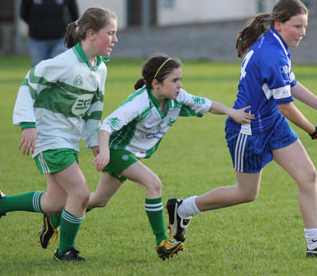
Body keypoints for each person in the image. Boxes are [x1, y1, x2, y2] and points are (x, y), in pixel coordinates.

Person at [166, 0, 317, 259]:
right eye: (297, 26)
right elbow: (285, 105)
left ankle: (316, 244)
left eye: (305, 27)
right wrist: (314, 132)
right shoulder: (272, 53)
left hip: (271, 123)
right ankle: (183, 209)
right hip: (248, 128)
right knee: (246, 193)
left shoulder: (277, 44)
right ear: (279, 24)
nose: (303, 33)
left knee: (308, 175)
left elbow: (291, 84)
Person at [38, 54, 254, 260]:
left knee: (99, 200)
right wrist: (104, 151)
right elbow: (106, 126)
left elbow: (206, 104)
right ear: (156, 83)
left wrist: (231, 112)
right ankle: (162, 242)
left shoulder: (177, 97)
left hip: (129, 154)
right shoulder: (139, 102)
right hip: (116, 152)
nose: (180, 85)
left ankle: (54, 218)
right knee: (153, 184)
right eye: (174, 80)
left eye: (181, 79)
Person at [0, 7, 118, 262]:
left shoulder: (100, 69)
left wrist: (93, 140)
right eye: (111, 33)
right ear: (91, 34)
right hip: (49, 138)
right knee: (81, 194)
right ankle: (65, 252)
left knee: (55, 203)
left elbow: (94, 109)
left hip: (69, 139)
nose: (115, 40)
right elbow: (29, 84)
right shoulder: (64, 63)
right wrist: (27, 124)